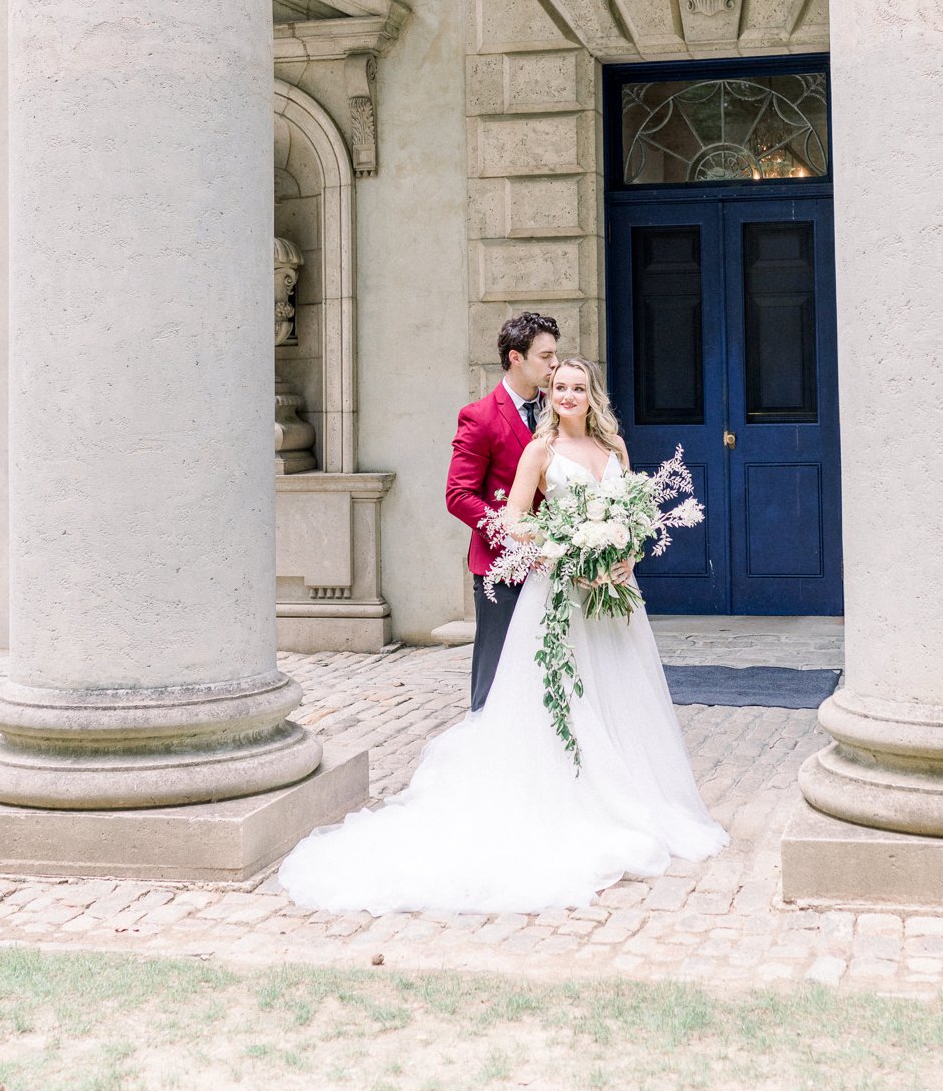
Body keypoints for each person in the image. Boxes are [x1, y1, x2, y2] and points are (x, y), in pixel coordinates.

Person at [277, 356, 728, 916]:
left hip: (612, 599)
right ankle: (571, 797)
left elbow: (633, 520)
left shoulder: (614, 452)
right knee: (563, 695)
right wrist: (562, 548)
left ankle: (636, 794)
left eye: (577, 388)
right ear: (551, 394)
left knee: (619, 690)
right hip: (561, 591)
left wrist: (625, 555)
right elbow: (514, 518)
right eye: (559, 386)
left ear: (592, 395)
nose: (567, 395)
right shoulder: (539, 452)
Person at [445, 311, 560, 711]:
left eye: (555, 356)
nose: (554, 365)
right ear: (516, 357)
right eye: (545, 357)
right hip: (502, 566)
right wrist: (511, 534)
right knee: (495, 670)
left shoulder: (559, 410)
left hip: (557, 564)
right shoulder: (479, 416)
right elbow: (458, 495)